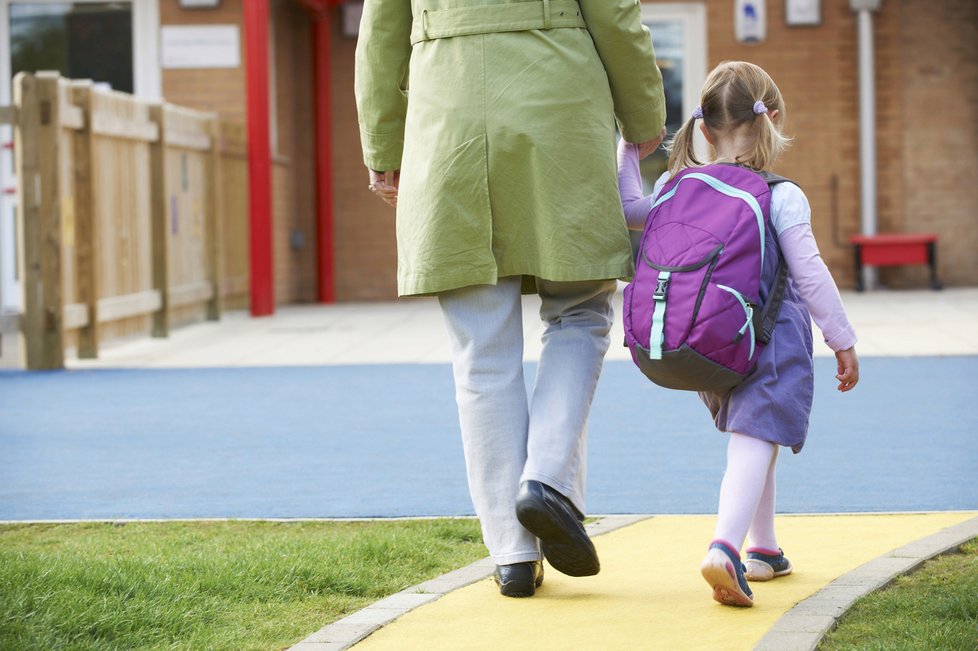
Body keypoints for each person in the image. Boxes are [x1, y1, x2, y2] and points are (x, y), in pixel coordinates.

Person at [355, 0, 666, 598]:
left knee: (481, 346)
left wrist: (383, 145)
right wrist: (643, 111)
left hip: (447, 116)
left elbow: (380, 36)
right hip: (557, 107)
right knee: (579, 311)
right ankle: (547, 479)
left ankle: (513, 554)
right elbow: (616, 15)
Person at [618, 61, 859, 607]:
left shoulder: (674, 183)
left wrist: (629, 151)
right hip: (771, 338)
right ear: (771, 119)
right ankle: (724, 546)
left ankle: (763, 548)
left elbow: (630, 210)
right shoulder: (780, 194)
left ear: (703, 129)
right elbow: (810, 272)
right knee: (758, 435)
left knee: (755, 434)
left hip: (711, 338)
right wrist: (841, 338)